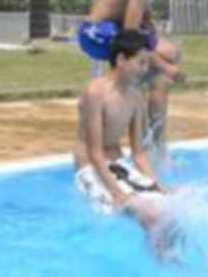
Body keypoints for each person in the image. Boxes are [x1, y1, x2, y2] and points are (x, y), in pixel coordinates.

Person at [81, 0, 199, 164]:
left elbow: (141, 19)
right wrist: (166, 68)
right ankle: (134, 144)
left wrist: (159, 46)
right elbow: (131, 40)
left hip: (109, 29)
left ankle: (152, 143)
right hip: (95, 34)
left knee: (169, 56)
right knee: (153, 69)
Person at [74, 30, 182, 259]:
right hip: (92, 169)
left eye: (146, 64)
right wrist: (117, 194)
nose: (144, 69)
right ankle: (163, 265)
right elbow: (94, 153)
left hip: (119, 166)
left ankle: (171, 264)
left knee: (174, 214)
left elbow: (139, 153)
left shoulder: (135, 97)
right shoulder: (95, 92)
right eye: (140, 63)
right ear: (121, 59)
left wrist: (159, 184)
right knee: (150, 217)